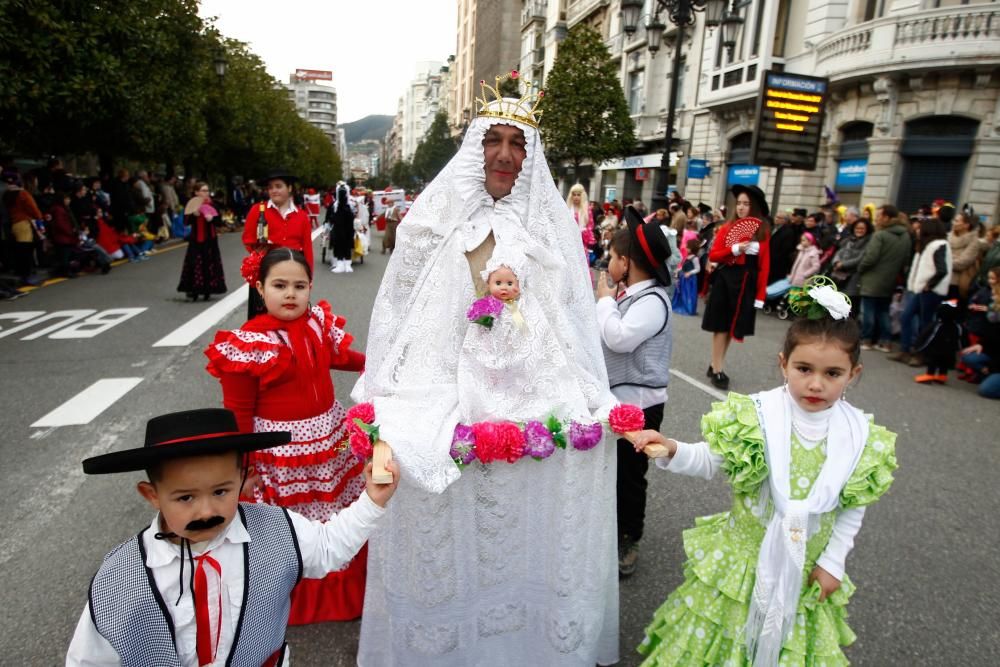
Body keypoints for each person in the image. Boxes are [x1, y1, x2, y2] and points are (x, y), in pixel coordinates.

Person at [351, 74, 620, 665]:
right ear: (476, 148)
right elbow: (398, 311)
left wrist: (589, 400)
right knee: (446, 533)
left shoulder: (550, 231)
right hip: (443, 393)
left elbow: (571, 323)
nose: (504, 153)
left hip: (527, 397)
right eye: (493, 140)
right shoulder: (432, 221)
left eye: (517, 144)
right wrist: (383, 386)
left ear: (531, 157)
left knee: (524, 531)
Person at [630, 281, 897, 666]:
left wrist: (833, 561)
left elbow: (852, 507)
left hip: (804, 569)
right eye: (804, 368)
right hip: (740, 563)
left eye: (833, 373)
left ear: (853, 373)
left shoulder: (860, 437)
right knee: (720, 643)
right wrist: (671, 448)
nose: (816, 383)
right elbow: (711, 460)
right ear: (783, 363)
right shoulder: (756, 416)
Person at [66, 408, 398, 666]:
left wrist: (372, 501)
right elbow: (90, 659)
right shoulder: (120, 577)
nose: (206, 511)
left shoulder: (276, 530)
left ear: (245, 479)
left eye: (221, 491)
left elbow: (328, 548)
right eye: (185, 498)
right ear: (152, 495)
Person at [205, 247, 368, 625]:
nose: (290, 294)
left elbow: (336, 357)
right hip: (282, 452)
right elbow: (238, 413)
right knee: (296, 522)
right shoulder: (248, 343)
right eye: (279, 285)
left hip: (332, 437)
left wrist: (374, 363)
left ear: (311, 288)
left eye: (299, 285)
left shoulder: (316, 323)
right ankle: (301, 597)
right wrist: (244, 468)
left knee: (338, 508)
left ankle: (348, 588)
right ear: (260, 288)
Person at [596, 208, 673, 577]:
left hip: (640, 405)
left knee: (629, 474)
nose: (609, 262)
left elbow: (620, 338)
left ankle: (629, 537)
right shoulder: (634, 296)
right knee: (614, 469)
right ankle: (610, 529)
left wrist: (604, 301)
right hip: (620, 401)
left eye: (612, 257)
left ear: (627, 262)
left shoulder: (653, 301)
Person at [701, 184, 771, 390]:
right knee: (720, 326)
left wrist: (760, 295)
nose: (741, 207)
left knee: (732, 327)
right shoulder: (727, 227)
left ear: (754, 206)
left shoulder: (763, 231)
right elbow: (713, 255)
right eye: (739, 203)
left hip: (747, 282)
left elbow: (765, 265)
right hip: (726, 279)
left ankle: (715, 363)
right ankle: (718, 368)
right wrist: (734, 248)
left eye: (746, 204)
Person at [242, 170, 313, 319]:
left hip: (293, 271)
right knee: (262, 315)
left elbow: (307, 249)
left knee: (291, 314)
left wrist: (308, 277)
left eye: (278, 186)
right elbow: (247, 239)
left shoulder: (301, 216)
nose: (274, 190)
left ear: (289, 188)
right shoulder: (257, 211)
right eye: (270, 187)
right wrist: (261, 248)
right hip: (267, 270)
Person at [889, 218, 951, 365]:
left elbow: (942, 269)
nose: (917, 231)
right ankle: (905, 350)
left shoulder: (939, 245)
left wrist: (930, 284)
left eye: (920, 229)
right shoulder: (925, 246)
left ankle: (921, 354)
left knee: (926, 323)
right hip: (920, 289)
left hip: (931, 291)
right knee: (906, 317)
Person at [857, 204, 912, 352]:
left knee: (868, 311)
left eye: (879, 215)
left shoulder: (880, 235)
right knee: (883, 311)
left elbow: (870, 257)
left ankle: (867, 339)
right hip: (891, 278)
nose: (876, 219)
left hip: (873, 278)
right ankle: (885, 341)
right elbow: (906, 259)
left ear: (886, 217)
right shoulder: (905, 235)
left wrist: (860, 269)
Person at [177, 182, 227, 301]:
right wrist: (193, 215)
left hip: (210, 240)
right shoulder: (192, 205)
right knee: (194, 263)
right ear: (196, 192)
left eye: (207, 190)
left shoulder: (213, 205)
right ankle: (194, 290)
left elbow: (219, 222)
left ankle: (207, 291)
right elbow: (186, 222)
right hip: (195, 239)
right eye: (203, 190)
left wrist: (212, 219)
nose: (206, 193)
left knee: (208, 263)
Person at [2, 170, 44, 286]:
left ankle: (20, 272)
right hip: (24, 223)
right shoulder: (23, 194)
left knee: (18, 250)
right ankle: (26, 276)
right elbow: (33, 208)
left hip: (13, 224)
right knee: (26, 250)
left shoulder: (6, 194)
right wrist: (39, 218)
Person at [830, 217, 873, 317]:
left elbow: (861, 258)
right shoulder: (848, 240)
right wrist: (836, 262)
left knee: (851, 304)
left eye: (862, 228)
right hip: (840, 276)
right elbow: (839, 252)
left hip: (855, 277)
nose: (859, 230)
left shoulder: (869, 242)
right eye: (857, 228)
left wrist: (843, 264)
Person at [672, 236, 702, 316]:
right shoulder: (687, 257)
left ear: (692, 249)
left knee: (688, 294)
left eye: (688, 247)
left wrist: (690, 273)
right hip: (684, 277)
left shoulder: (695, 258)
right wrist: (678, 270)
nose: (685, 247)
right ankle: (682, 304)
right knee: (682, 292)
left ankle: (689, 308)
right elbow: (684, 266)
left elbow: (698, 269)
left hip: (690, 280)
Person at [329, 184, 355, 274]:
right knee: (345, 245)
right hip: (347, 229)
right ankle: (346, 264)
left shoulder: (337, 206)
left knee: (341, 245)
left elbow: (333, 218)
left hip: (341, 229)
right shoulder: (348, 205)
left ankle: (343, 264)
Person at [566, 183, 596, 253]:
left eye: (578, 195)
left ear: (582, 196)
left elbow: (590, 225)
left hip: (582, 242)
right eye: (574, 194)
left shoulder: (587, 209)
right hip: (569, 241)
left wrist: (583, 233)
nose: (576, 197)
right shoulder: (567, 208)